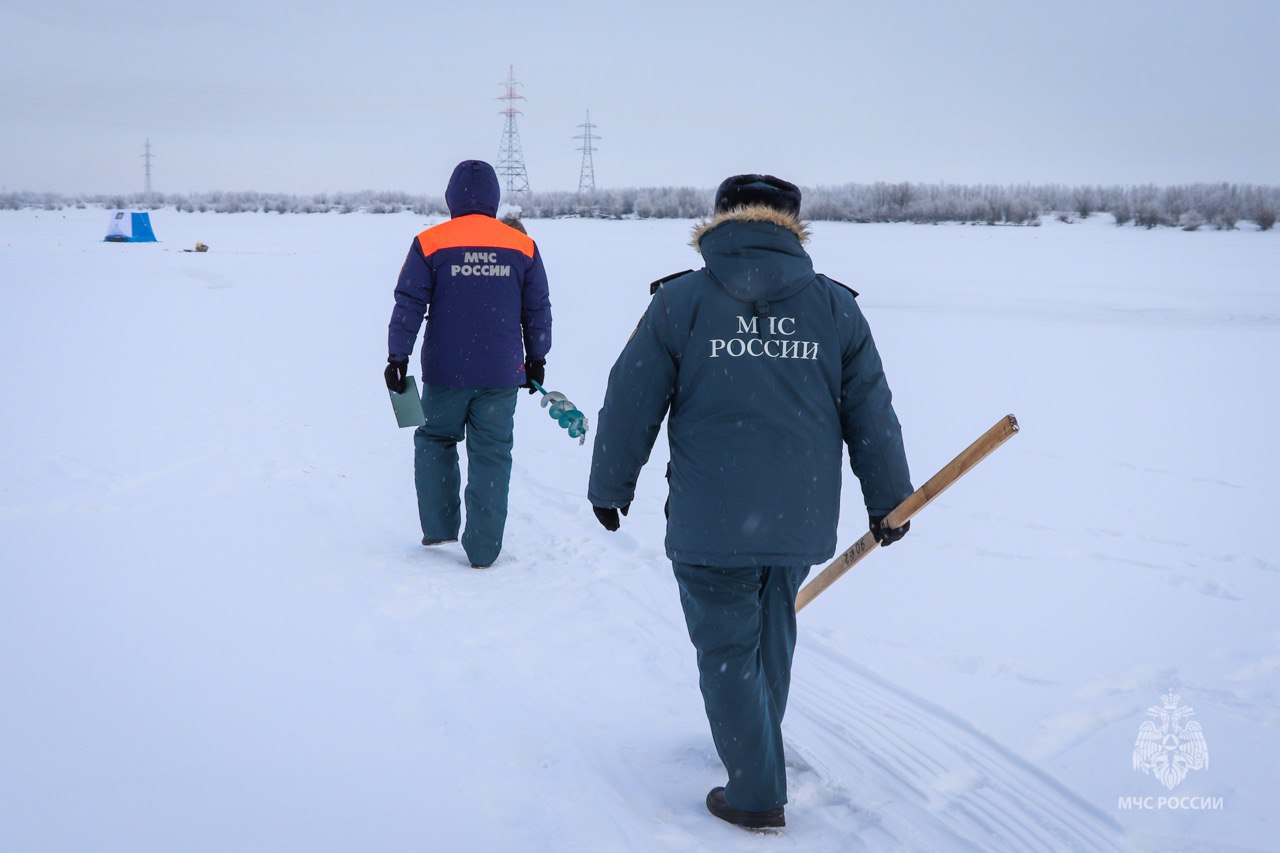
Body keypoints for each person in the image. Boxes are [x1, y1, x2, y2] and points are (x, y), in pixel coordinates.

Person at [587, 175, 912, 829]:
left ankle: (755, 792)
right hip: (800, 512)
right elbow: (872, 412)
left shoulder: (680, 302)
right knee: (771, 630)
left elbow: (630, 401)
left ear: (720, 222)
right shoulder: (834, 308)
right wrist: (888, 498)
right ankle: (756, 742)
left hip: (712, 516)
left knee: (728, 647)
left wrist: (610, 485)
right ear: (794, 227)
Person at [385, 160, 551, 569]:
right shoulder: (522, 246)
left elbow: (409, 304)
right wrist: (538, 358)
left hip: (446, 371)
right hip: (501, 372)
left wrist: (397, 356)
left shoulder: (430, 242)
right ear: (494, 197)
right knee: (492, 453)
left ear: (452, 197)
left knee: (436, 441)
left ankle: (440, 527)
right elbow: (538, 309)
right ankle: (483, 549)